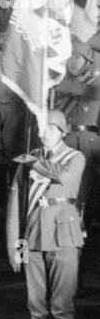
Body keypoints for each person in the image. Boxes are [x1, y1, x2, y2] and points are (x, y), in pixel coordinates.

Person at [7, 110, 84, 319]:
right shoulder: (28, 159)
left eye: (51, 128)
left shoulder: (75, 158)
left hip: (64, 238)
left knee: (61, 306)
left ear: (62, 131)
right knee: (36, 304)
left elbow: (64, 177)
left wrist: (34, 161)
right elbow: (16, 205)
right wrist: (18, 249)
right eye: (42, 128)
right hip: (33, 239)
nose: (45, 133)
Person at [53, 38, 100, 259]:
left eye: (77, 57)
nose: (72, 62)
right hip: (62, 144)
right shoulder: (61, 85)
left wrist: (55, 82)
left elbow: (87, 91)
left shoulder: (95, 82)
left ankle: (78, 267)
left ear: (88, 61)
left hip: (85, 150)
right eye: (69, 57)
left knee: (80, 206)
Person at [0, 27, 27, 208]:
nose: (2, 14)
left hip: (13, 100)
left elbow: (10, 43)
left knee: (12, 148)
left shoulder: (22, 32)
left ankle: (14, 193)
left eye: (6, 10)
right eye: (0, 10)